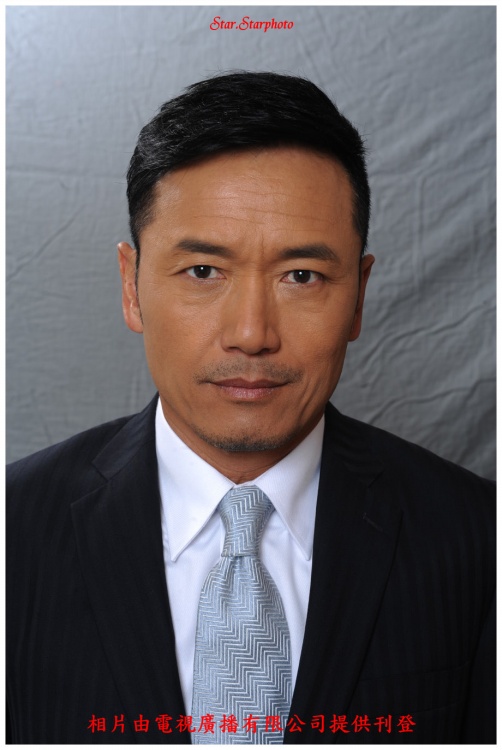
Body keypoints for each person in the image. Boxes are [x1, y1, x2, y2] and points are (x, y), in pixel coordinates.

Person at [7, 72, 494, 745]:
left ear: (358, 296)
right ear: (132, 287)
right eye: (203, 271)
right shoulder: (13, 532)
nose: (251, 333)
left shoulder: (478, 539)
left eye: (302, 276)